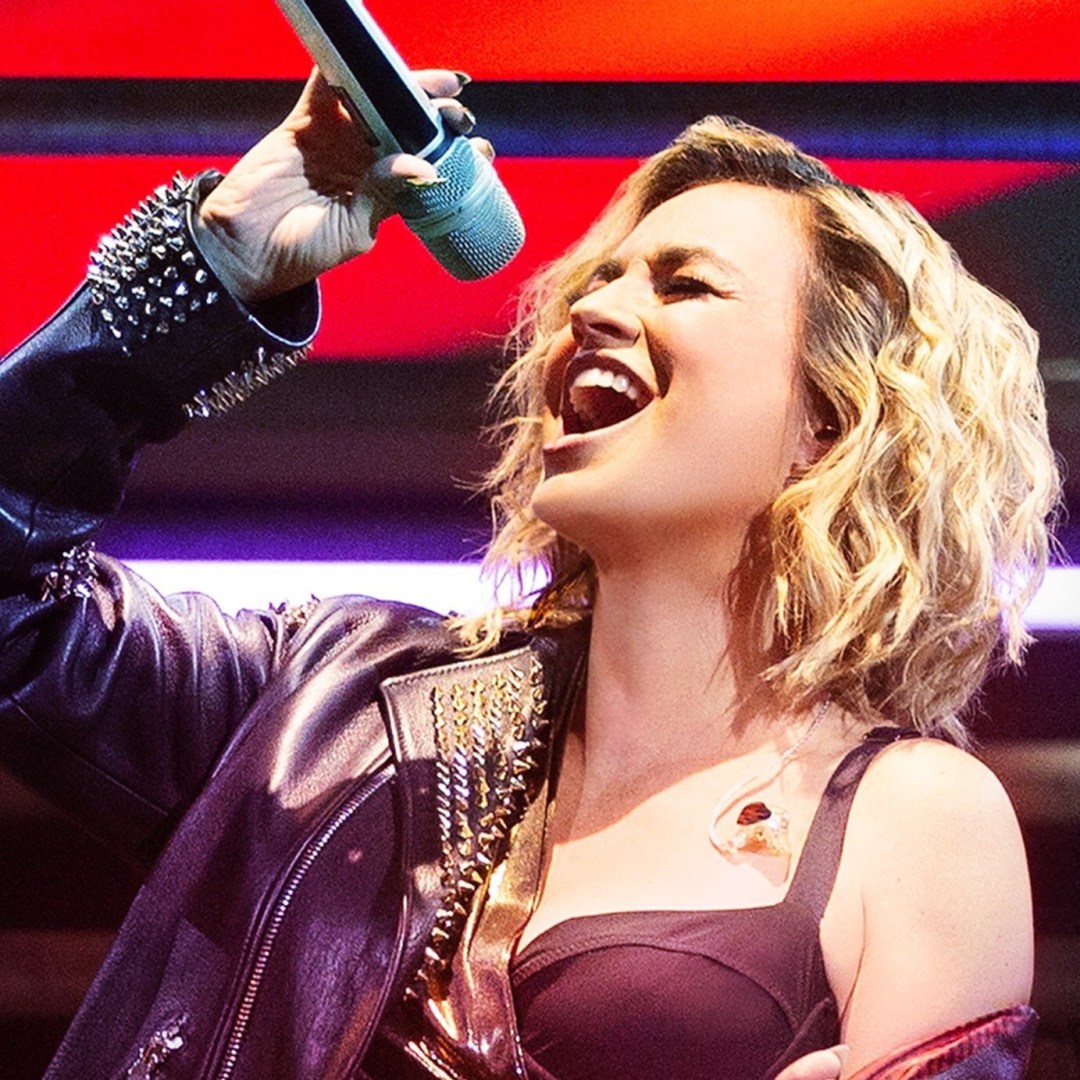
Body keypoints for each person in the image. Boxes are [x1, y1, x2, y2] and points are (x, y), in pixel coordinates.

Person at [0, 63, 1057, 1080]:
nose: (592, 312)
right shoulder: (324, 706)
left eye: (686, 284)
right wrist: (217, 260)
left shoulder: (912, 820)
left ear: (829, 419)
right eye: (599, 282)